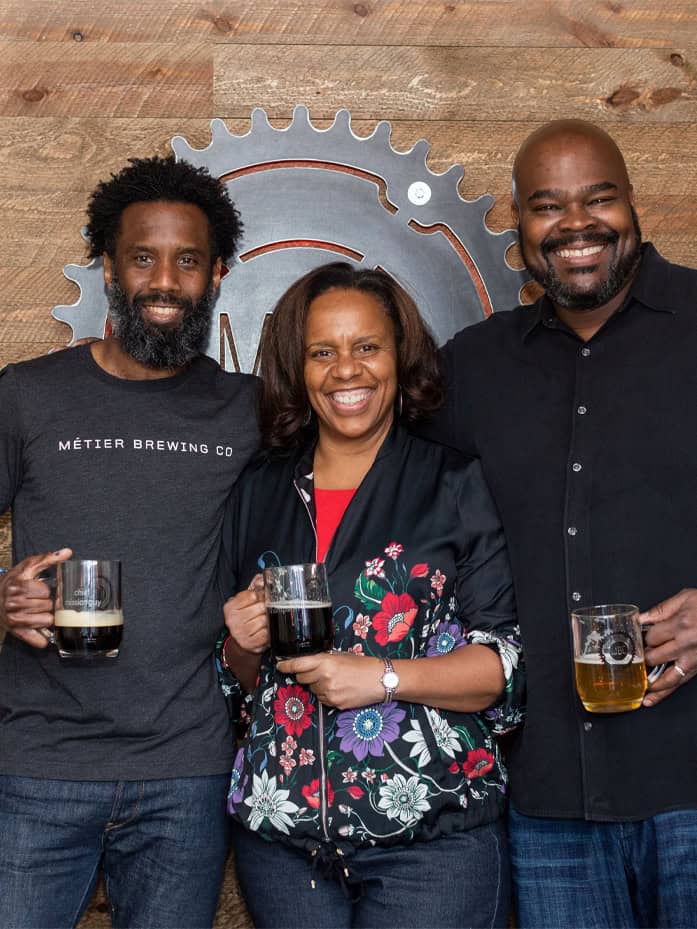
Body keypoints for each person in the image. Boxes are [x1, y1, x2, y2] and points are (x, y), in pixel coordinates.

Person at [424, 119, 697, 928]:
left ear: (631, 206)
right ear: (518, 227)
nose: (575, 225)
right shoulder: (470, 368)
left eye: (597, 199)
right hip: (547, 794)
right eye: (547, 206)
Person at [217, 262, 524, 928]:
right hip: (282, 840)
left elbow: (502, 665)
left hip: (431, 839)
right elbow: (239, 681)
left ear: (398, 358)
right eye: (321, 352)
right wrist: (240, 642)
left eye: (366, 347)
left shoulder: (451, 482)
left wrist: (381, 678)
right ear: (297, 368)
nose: (345, 370)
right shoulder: (262, 487)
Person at [0, 155, 259, 929]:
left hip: (185, 772)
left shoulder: (249, 411)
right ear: (108, 266)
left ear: (216, 274)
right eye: (143, 256)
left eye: (187, 261)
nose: (164, 281)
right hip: (40, 765)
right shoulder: (27, 394)